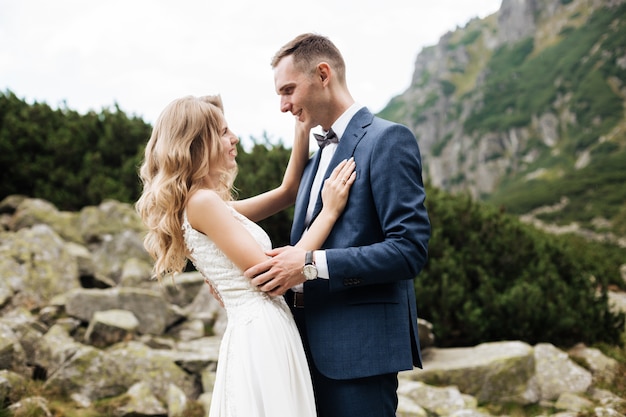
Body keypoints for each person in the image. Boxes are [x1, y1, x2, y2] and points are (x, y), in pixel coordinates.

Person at [244, 33, 431, 417]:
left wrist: (311, 265)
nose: (283, 105)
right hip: (301, 353)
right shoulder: (314, 163)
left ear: (323, 74)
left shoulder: (387, 140)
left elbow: (409, 250)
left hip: (359, 353)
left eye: (289, 90)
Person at [135, 94, 356, 417]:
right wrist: (330, 211)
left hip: (263, 327)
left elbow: (288, 192)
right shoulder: (202, 204)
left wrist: (301, 131)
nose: (234, 138)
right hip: (260, 332)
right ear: (197, 143)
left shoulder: (209, 203)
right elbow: (273, 277)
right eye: (223, 132)